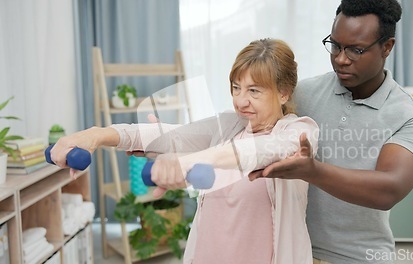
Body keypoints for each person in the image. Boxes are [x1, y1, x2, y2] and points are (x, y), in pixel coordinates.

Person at [49, 38, 319, 263]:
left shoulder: (299, 133)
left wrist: (185, 163)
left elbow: (257, 152)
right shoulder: (229, 124)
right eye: (236, 88)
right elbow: (167, 135)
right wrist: (94, 136)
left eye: (254, 91)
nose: (240, 100)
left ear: (283, 93)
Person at [249, 1, 413, 263]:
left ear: (387, 47)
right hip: (293, 250)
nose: (340, 58)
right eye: (335, 45)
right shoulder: (303, 94)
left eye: (356, 50)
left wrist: (313, 171)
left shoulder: (410, 116)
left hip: (360, 256)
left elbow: (389, 190)